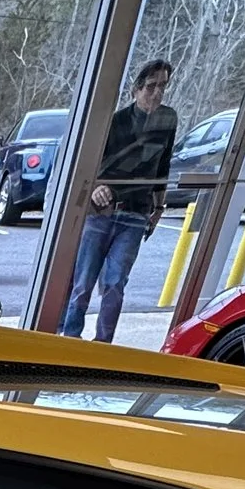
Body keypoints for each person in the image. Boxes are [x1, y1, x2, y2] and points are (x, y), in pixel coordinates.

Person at [57, 60, 178, 342]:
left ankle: (103, 344)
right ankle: (70, 337)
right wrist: (97, 186)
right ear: (136, 89)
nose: (156, 93)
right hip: (102, 212)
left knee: (115, 283)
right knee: (83, 281)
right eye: (151, 87)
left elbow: (163, 165)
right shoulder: (116, 121)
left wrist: (159, 206)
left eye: (162, 86)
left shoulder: (167, 120)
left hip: (136, 214)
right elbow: (89, 163)